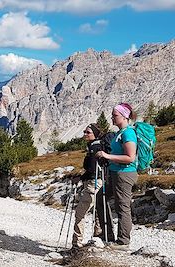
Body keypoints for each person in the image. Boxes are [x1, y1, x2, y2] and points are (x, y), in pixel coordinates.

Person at [95, 103, 138, 250]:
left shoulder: (128, 133)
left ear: (125, 116)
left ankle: (123, 241)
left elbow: (130, 157)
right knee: (100, 198)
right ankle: (107, 234)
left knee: (122, 206)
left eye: (115, 115)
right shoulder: (120, 133)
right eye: (112, 115)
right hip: (115, 173)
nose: (112, 118)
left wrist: (107, 156)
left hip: (124, 174)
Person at [71, 123, 103, 248]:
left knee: (80, 213)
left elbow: (92, 168)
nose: (85, 134)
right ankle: (97, 239)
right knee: (97, 211)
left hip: (92, 183)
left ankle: (77, 243)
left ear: (94, 134)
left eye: (88, 132)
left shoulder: (94, 147)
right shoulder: (96, 146)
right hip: (97, 182)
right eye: (84, 131)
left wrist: (80, 177)